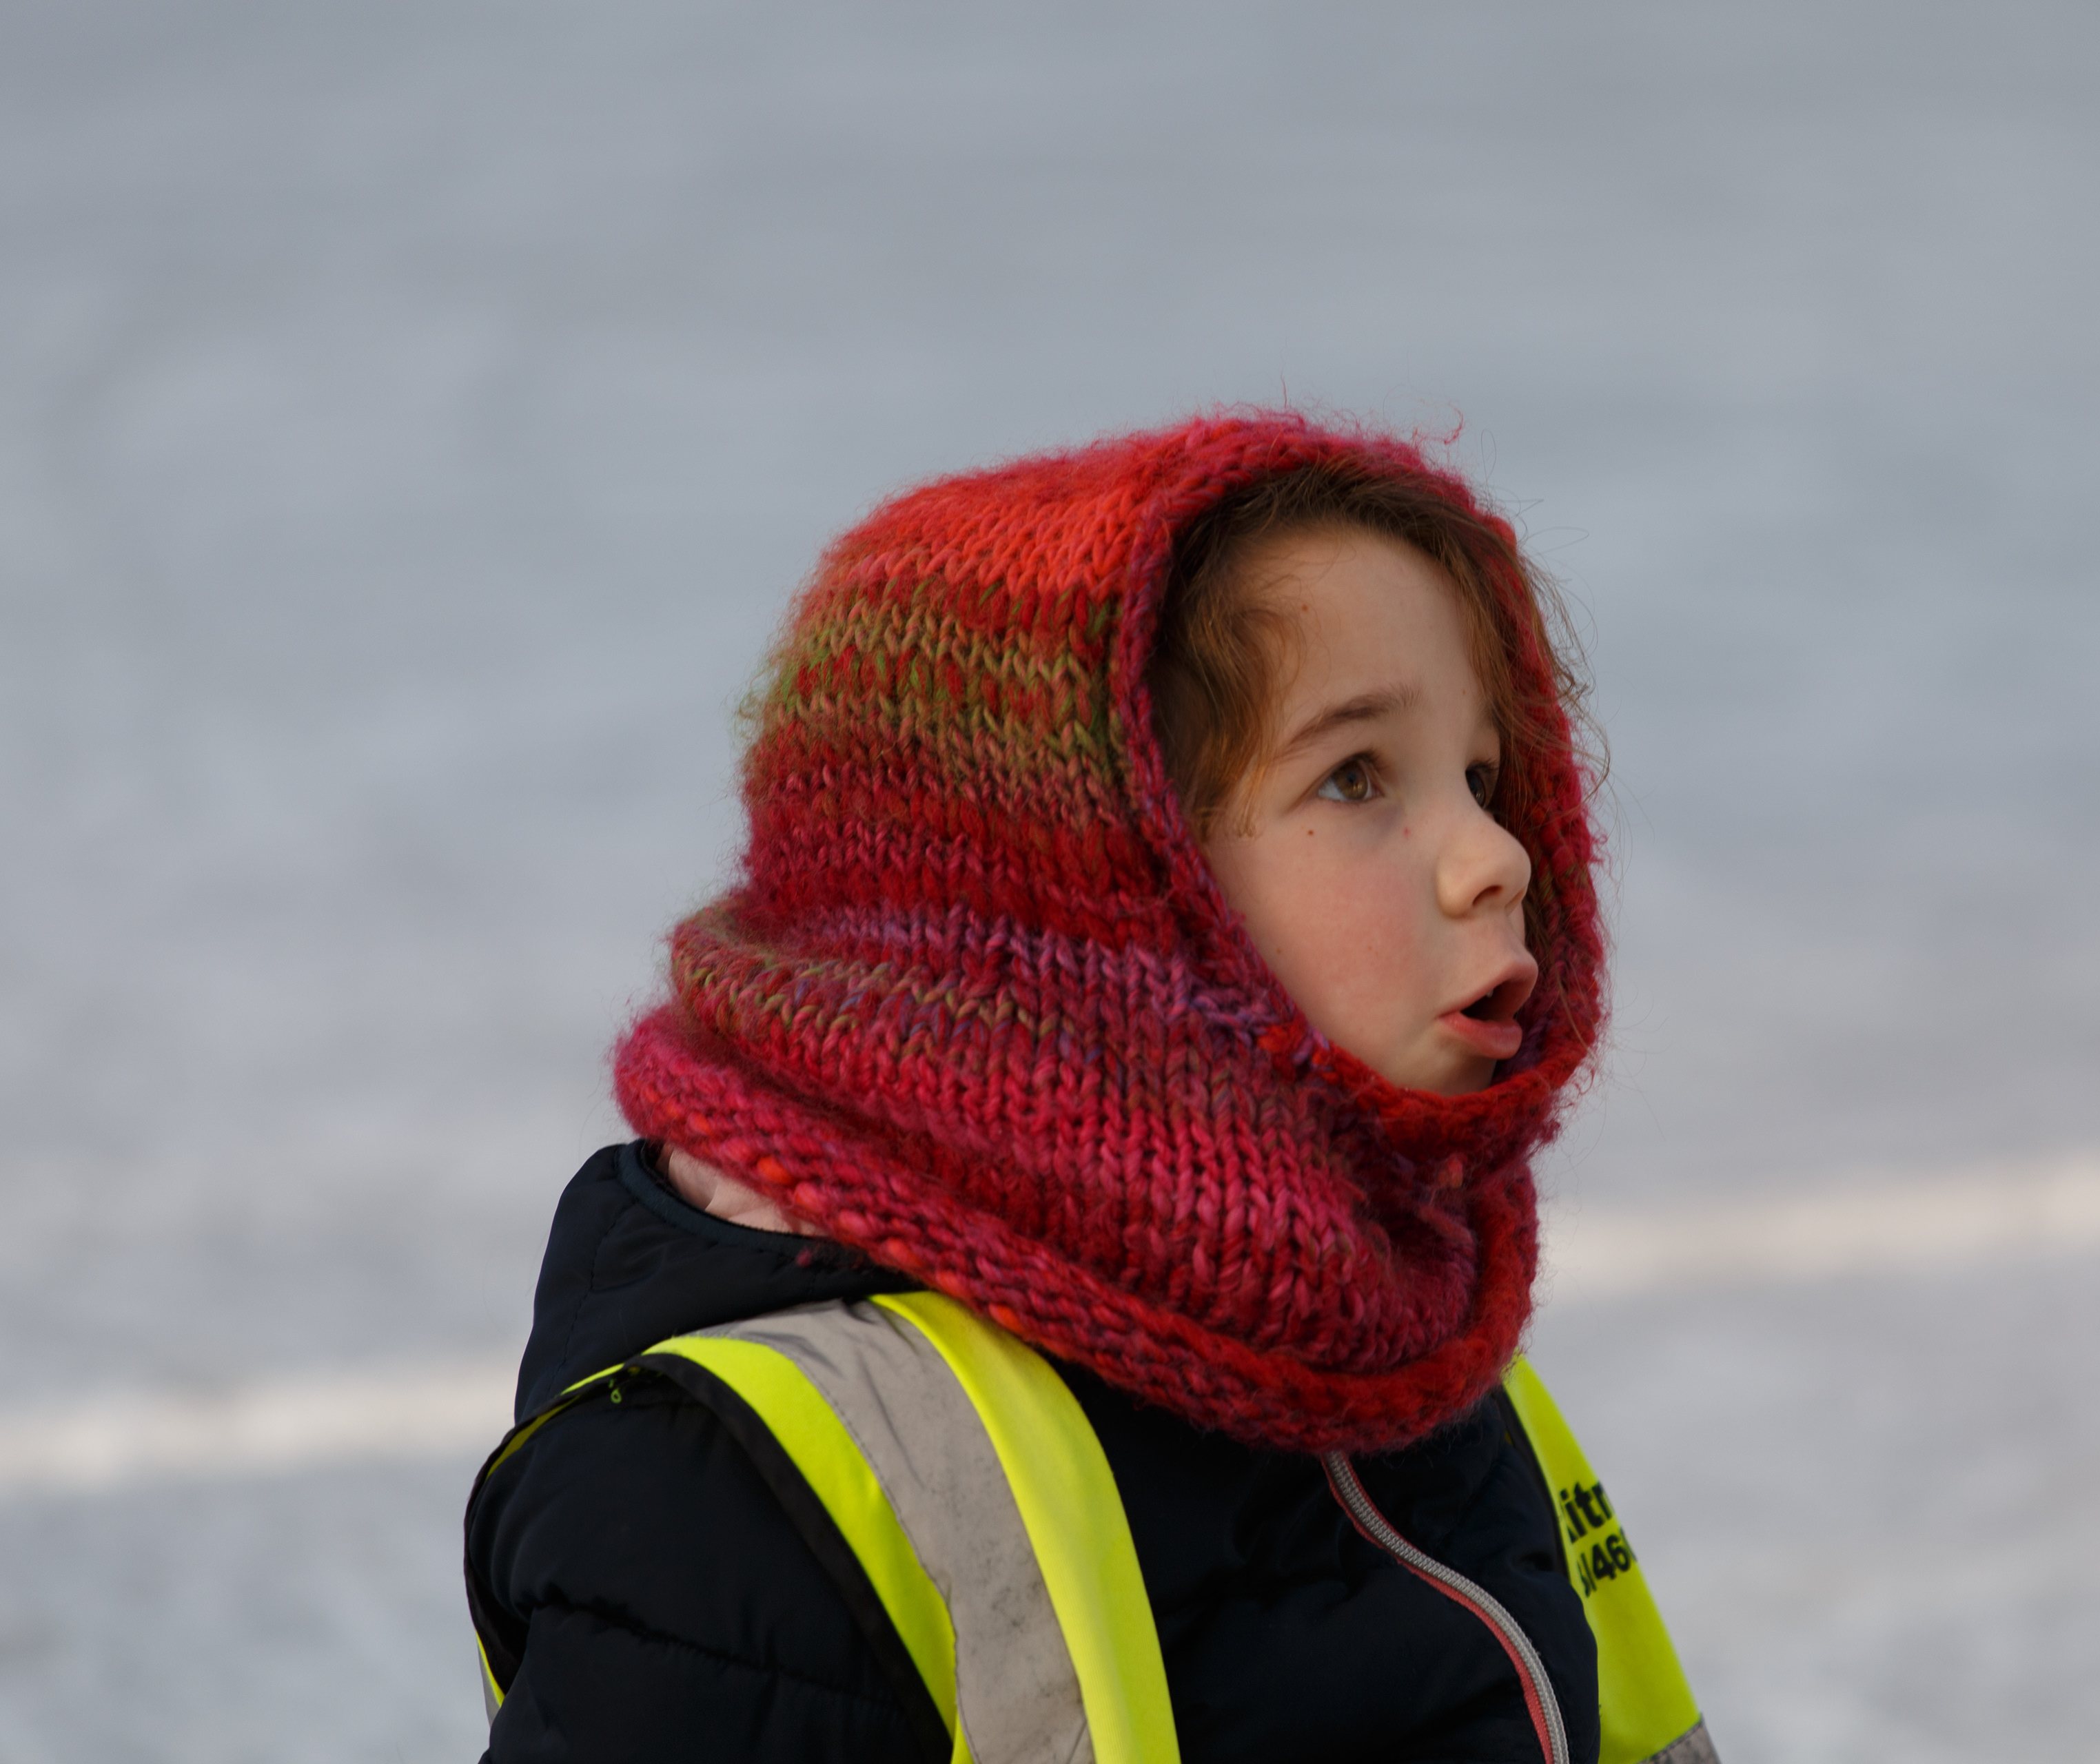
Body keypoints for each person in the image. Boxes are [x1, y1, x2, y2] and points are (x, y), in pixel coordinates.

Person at [463, 411, 1715, 1763]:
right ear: (1073, 880)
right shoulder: (748, 1490)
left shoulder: (1417, 1344)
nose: (1496, 856)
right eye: (1356, 776)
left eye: (1480, 775)